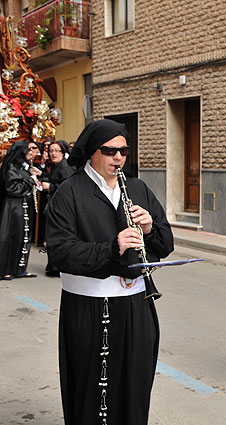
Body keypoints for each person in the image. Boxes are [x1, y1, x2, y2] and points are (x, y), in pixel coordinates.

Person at [46, 119, 174, 425]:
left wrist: (149, 227)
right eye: (109, 151)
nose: (118, 158)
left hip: (136, 304)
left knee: (135, 382)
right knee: (93, 389)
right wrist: (111, 247)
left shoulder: (138, 188)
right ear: (92, 152)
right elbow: (61, 251)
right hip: (90, 309)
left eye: (123, 151)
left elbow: (165, 244)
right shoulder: (69, 192)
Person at [0, 140, 39, 279]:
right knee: (11, 237)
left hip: (23, 206)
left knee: (23, 237)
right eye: (28, 149)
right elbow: (12, 188)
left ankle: (20, 268)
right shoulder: (11, 167)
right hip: (13, 207)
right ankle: (6, 269)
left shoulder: (24, 167)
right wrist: (30, 182)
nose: (31, 152)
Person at [41, 140, 74, 277]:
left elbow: (68, 188)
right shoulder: (56, 166)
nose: (53, 154)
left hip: (61, 208)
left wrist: (51, 187)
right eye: (51, 151)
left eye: (56, 151)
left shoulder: (65, 167)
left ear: (63, 152)